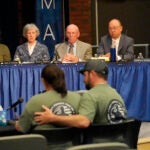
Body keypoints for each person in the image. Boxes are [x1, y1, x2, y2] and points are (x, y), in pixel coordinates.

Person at [34, 60, 127, 128]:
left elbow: (83, 122)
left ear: (92, 74)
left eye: (85, 75)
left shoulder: (90, 95)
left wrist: (53, 118)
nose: (83, 80)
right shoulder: (116, 94)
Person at [15, 64, 80, 133]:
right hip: (73, 143)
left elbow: (22, 128)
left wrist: (17, 124)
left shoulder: (34, 101)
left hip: (42, 143)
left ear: (43, 80)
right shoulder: (77, 98)